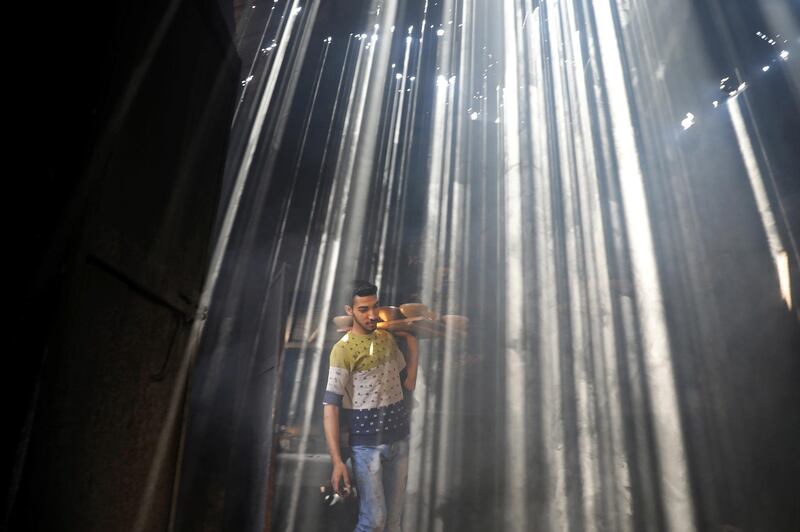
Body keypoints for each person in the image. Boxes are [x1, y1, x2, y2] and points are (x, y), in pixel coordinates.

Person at [322, 280, 418, 532]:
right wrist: (337, 461)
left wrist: (412, 344)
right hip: (366, 447)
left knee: (394, 522)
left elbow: (408, 383)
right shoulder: (341, 350)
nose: (372, 314)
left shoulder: (386, 339)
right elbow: (330, 408)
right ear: (349, 311)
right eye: (363, 309)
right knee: (374, 522)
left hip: (399, 441)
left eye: (374, 306)